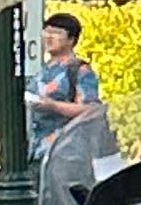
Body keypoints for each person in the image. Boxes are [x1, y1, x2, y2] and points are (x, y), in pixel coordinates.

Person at [29, 9, 105, 146]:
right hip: (36, 148)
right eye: (47, 31)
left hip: (67, 147)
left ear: (71, 40)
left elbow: (91, 109)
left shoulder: (79, 70)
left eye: (57, 33)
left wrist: (53, 105)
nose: (49, 37)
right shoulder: (42, 70)